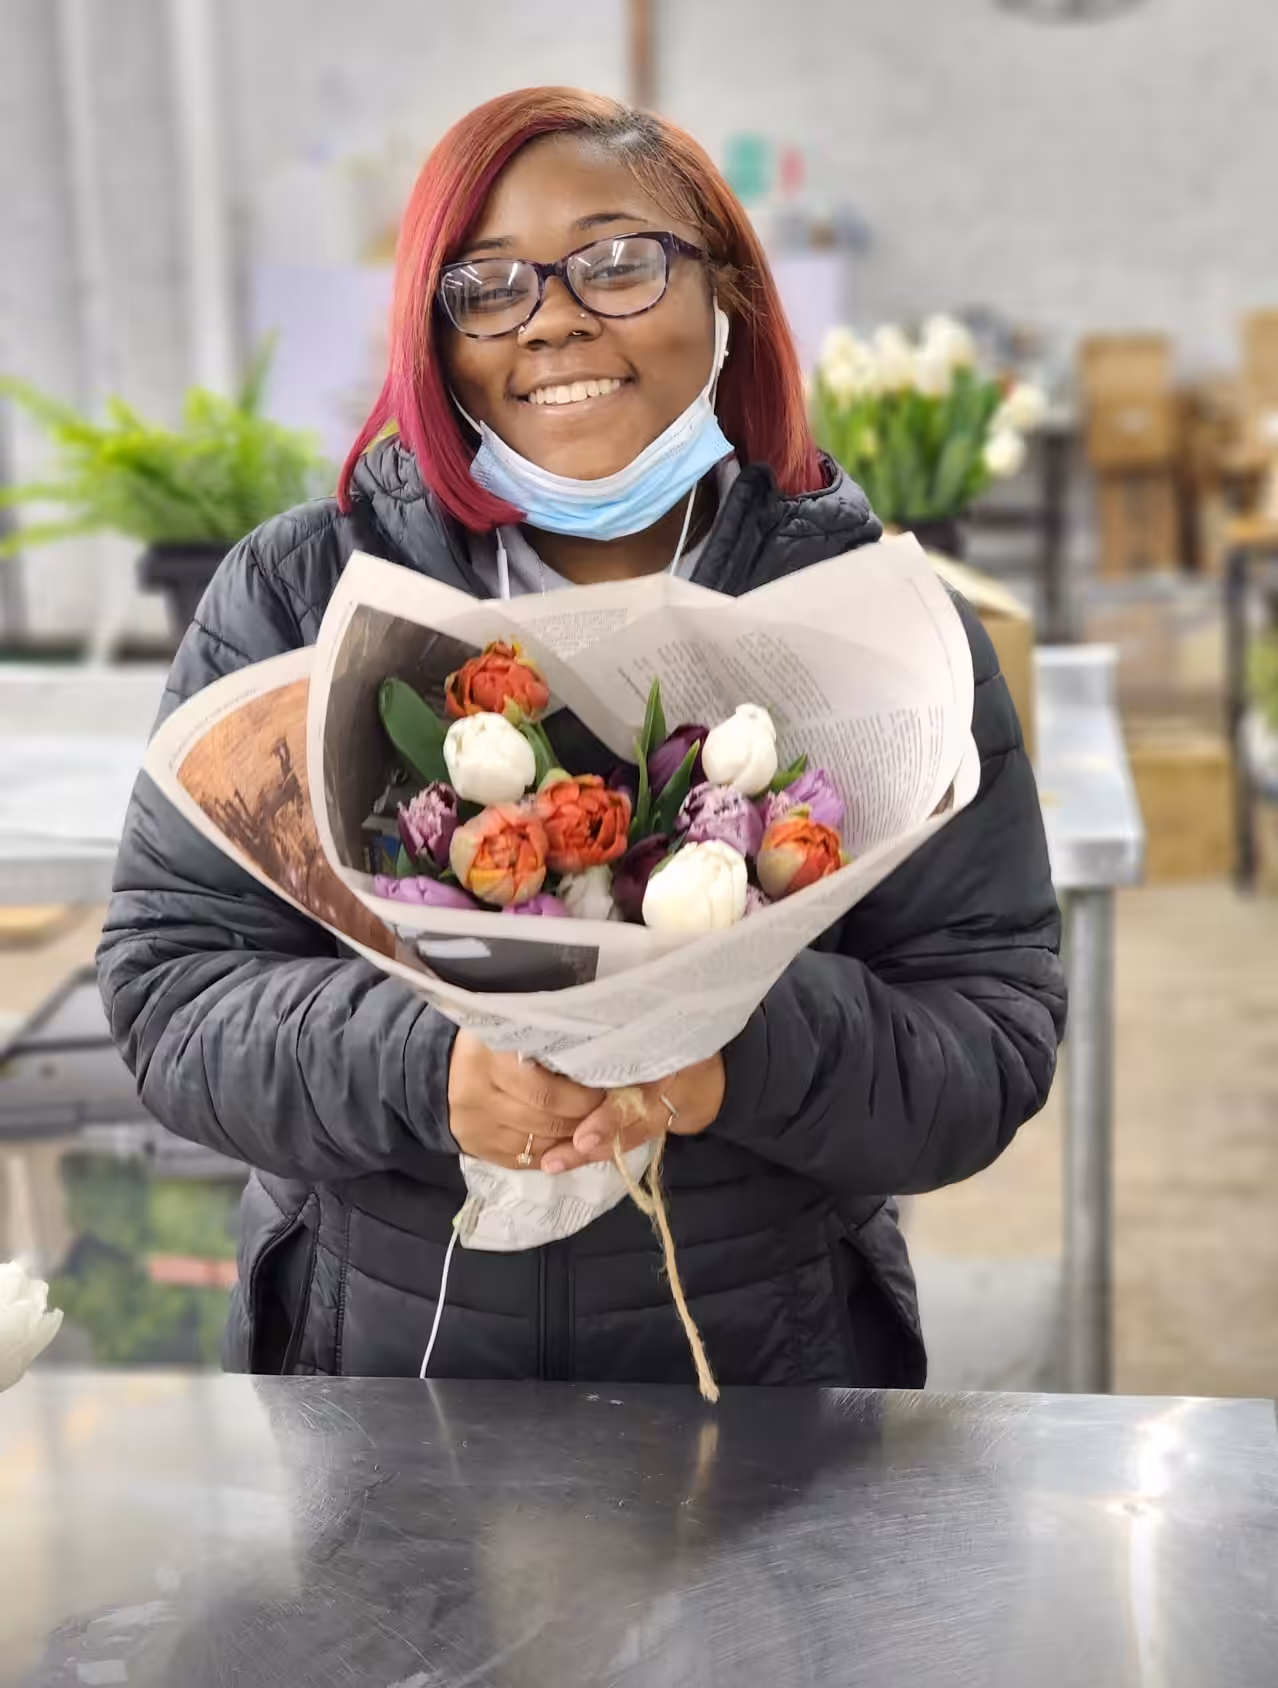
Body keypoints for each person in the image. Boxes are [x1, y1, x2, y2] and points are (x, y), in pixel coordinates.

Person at [98, 88, 1065, 1387]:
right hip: (379, 1364)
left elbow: (987, 1038)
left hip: (760, 1365)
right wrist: (433, 1067)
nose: (550, 315)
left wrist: (729, 1057)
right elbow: (175, 996)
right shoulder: (300, 595)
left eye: (616, 261)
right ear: (436, 337)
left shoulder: (873, 621)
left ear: (725, 285)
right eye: (484, 284)